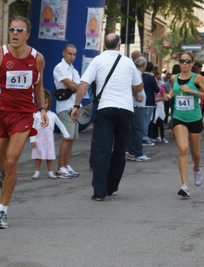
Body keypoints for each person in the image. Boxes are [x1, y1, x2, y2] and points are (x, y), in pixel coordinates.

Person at [0, 16, 48, 229]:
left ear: (27, 35)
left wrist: (43, 108)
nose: (15, 33)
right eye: (12, 29)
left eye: (20, 30)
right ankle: (4, 172)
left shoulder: (38, 58)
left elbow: (38, 85)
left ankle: (2, 211)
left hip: (23, 114)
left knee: (12, 161)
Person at [71, 33, 143, 201]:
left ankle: (99, 191)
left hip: (105, 109)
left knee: (101, 150)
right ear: (119, 46)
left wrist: (76, 106)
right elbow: (139, 87)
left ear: (104, 45)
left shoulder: (97, 60)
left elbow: (84, 85)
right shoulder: (128, 62)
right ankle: (111, 186)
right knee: (119, 149)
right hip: (125, 110)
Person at [163, 51, 204, 198]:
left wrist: (192, 91)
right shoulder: (173, 77)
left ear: (192, 63)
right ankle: (185, 185)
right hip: (179, 118)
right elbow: (173, 90)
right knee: (183, 149)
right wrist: (168, 96)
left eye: (187, 61)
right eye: (181, 61)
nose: (184, 64)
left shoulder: (197, 78)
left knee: (195, 152)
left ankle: (196, 168)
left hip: (195, 118)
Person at [53, 44, 81, 179]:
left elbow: (80, 88)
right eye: (70, 54)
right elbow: (71, 85)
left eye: (74, 54)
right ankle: (60, 168)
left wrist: (78, 86)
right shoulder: (59, 68)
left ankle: (66, 165)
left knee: (72, 139)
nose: (72, 57)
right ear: (64, 53)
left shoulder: (73, 70)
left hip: (74, 106)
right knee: (67, 137)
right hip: (65, 107)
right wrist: (78, 86)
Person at [31, 90, 70, 179]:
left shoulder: (53, 115)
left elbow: (60, 125)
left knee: (49, 156)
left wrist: (66, 134)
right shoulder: (36, 115)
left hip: (48, 140)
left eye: (46, 103)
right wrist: (32, 140)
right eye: (42, 103)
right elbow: (32, 128)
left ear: (49, 103)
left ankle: (50, 172)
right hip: (38, 139)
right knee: (38, 157)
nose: (44, 105)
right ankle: (36, 172)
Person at [127, 56, 151, 162]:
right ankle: (138, 153)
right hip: (137, 105)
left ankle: (132, 152)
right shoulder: (137, 73)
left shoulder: (134, 72)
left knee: (133, 129)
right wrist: (136, 96)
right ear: (144, 65)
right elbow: (134, 86)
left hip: (134, 104)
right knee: (138, 129)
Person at [142, 62, 159, 146]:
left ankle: (139, 138)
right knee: (146, 121)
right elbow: (156, 90)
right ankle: (144, 138)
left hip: (139, 102)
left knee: (139, 121)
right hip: (149, 101)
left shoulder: (139, 76)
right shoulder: (151, 78)